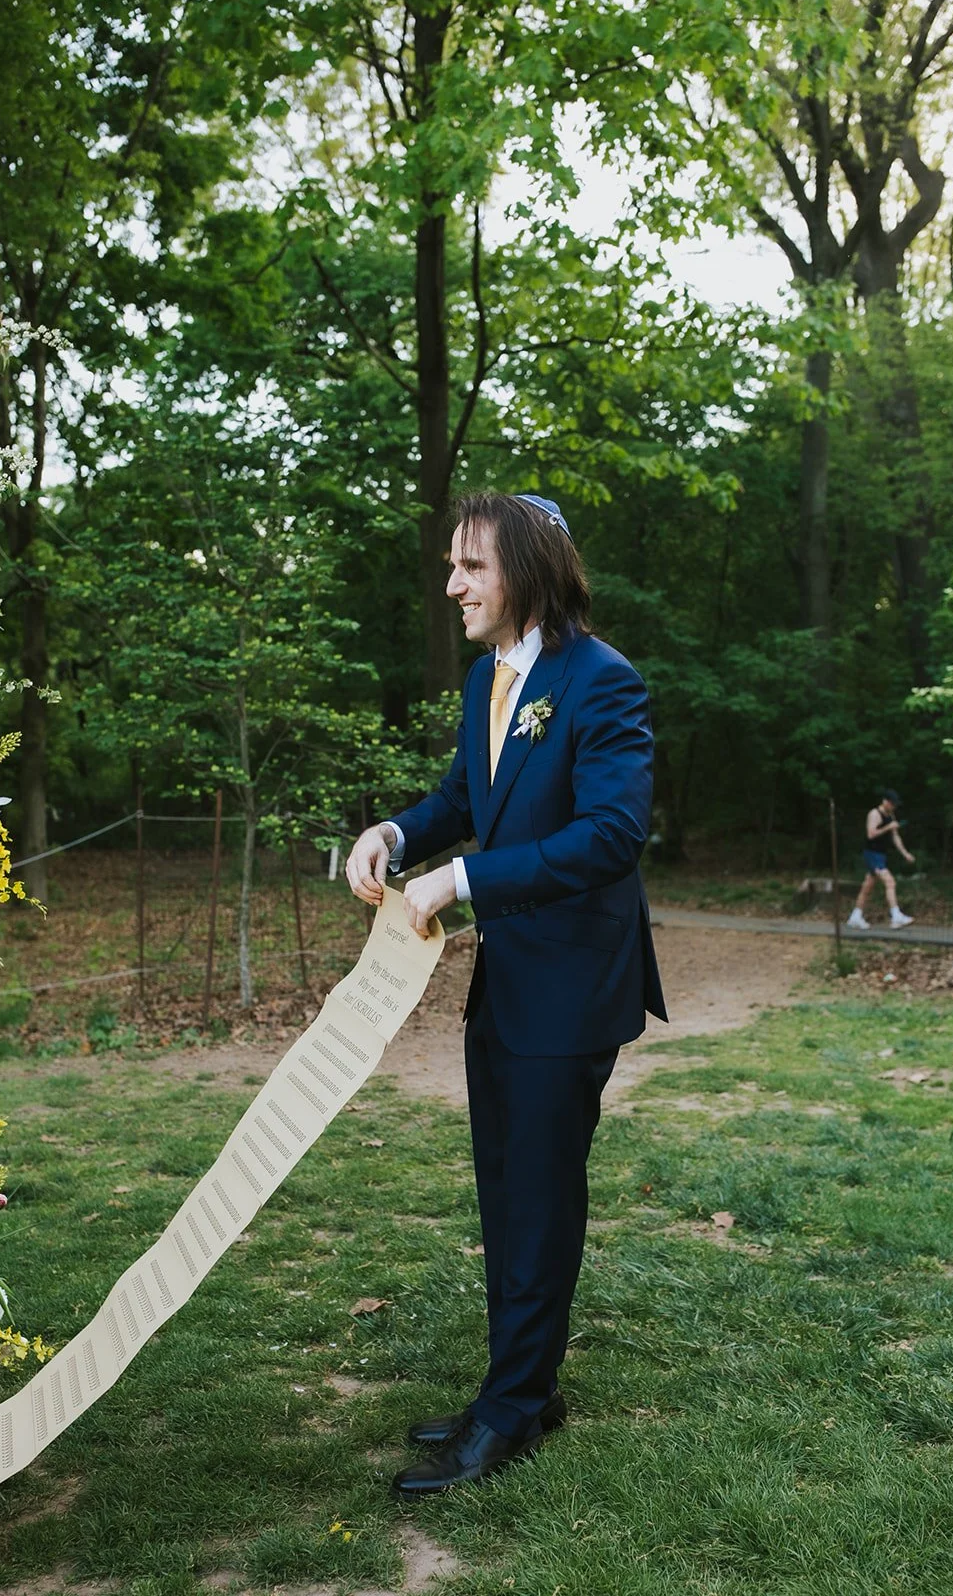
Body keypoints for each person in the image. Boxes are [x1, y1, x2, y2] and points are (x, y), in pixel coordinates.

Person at [345, 490, 666, 1497]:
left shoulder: (600, 682)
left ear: (523, 570)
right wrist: (399, 835)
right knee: (506, 1190)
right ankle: (520, 1388)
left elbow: (611, 833)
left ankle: (513, 1411)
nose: (451, 585)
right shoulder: (489, 676)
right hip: (509, 980)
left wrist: (467, 880)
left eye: (469, 567)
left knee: (534, 1197)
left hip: (570, 983)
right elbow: (461, 797)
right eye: (452, 566)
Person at [846, 788, 916, 930]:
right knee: (890, 881)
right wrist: (887, 827)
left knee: (867, 887)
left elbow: (895, 837)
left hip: (881, 855)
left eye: (895, 804)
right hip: (872, 854)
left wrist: (905, 853)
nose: (893, 806)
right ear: (885, 801)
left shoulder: (891, 815)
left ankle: (855, 916)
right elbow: (871, 834)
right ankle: (896, 916)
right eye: (892, 803)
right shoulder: (874, 814)